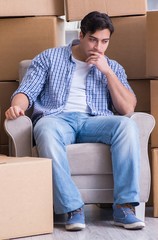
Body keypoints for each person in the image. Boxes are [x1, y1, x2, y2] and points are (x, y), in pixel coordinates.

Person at [5, 11, 145, 231]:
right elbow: (26, 92)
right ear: (81, 35)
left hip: (95, 121)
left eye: (104, 41)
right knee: (45, 130)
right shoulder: (49, 58)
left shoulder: (113, 66)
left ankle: (124, 207)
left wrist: (107, 72)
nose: (98, 47)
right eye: (93, 39)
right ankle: (72, 207)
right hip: (57, 119)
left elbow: (127, 108)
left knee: (127, 125)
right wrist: (17, 107)